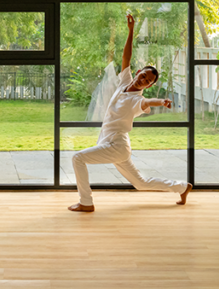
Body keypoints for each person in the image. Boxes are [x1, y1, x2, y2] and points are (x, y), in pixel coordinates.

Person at [68, 13, 192, 212]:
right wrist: (131, 31)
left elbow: (149, 101)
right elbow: (126, 57)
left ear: (149, 85)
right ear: (138, 72)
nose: (142, 80)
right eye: (142, 75)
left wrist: (162, 102)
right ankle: (182, 187)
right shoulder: (125, 82)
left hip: (116, 144)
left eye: (147, 81)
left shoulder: (138, 100)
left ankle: (86, 202)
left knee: (78, 158)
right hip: (114, 144)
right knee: (141, 183)